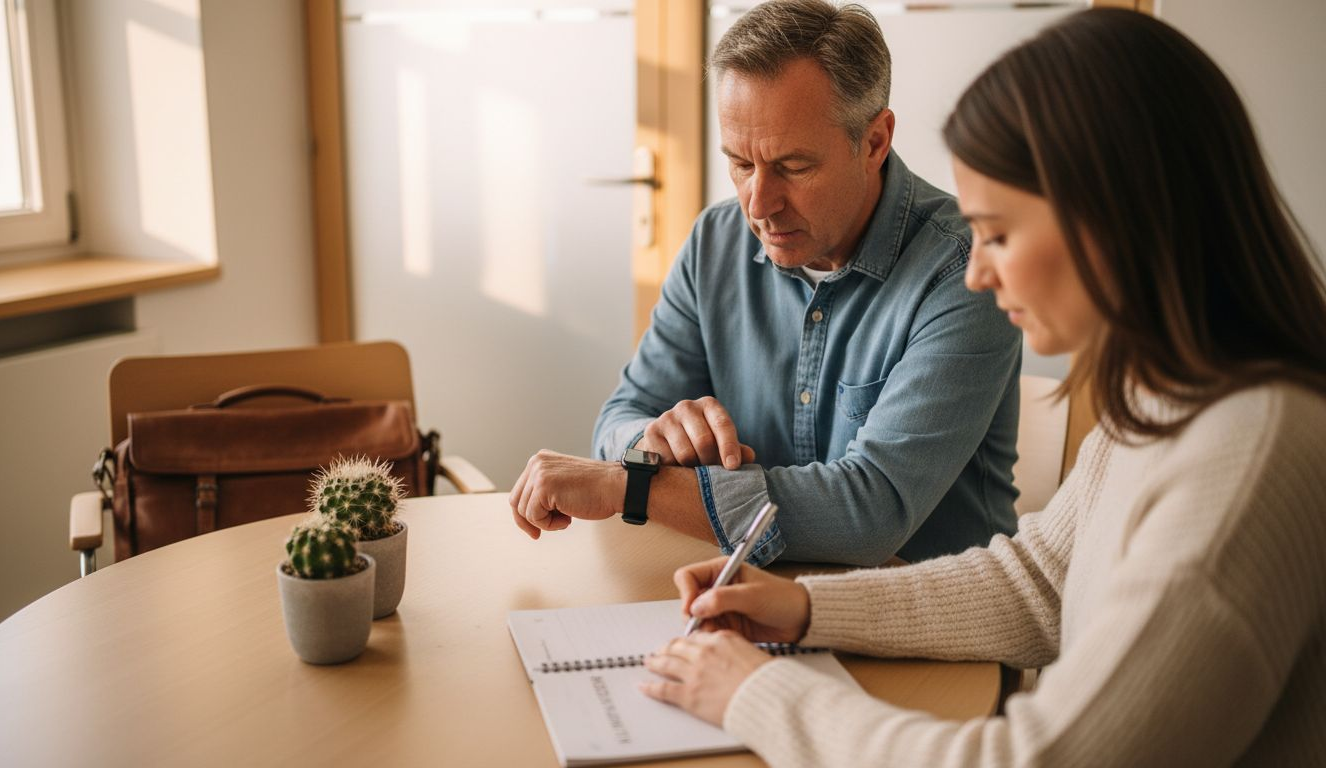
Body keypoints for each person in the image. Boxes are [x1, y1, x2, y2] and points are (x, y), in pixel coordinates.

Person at [638, 8, 1326, 765]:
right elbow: (1039, 585)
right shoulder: (1170, 400)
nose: (976, 272)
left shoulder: (1246, 457)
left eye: (998, 234)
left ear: (1116, 220)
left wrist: (753, 694)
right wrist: (802, 607)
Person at [509, 0, 1021, 567]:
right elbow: (620, 417)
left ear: (875, 141)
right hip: (747, 600)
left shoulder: (967, 269)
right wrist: (650, 445)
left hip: (931, 624)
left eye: (794, 167)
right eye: (741, 164)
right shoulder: (716, 242)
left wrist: (632, 486)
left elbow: (870, 514)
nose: (759, 205)